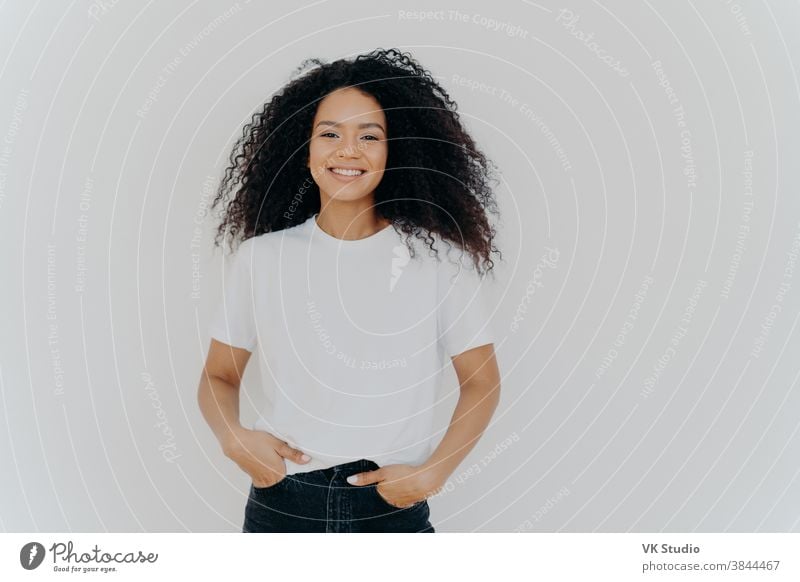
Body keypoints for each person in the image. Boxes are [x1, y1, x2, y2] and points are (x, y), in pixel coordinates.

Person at [197, 48, 502, 533]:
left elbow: (482, 383)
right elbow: (218, 376)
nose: (348, 150)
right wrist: (234, 439)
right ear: (306, 149)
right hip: (283, 506)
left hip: (391, 510)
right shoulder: (262, 258)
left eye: (369, 136)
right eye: (330, 134)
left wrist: (432, 474)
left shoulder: (443, 262)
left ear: (393, 149)